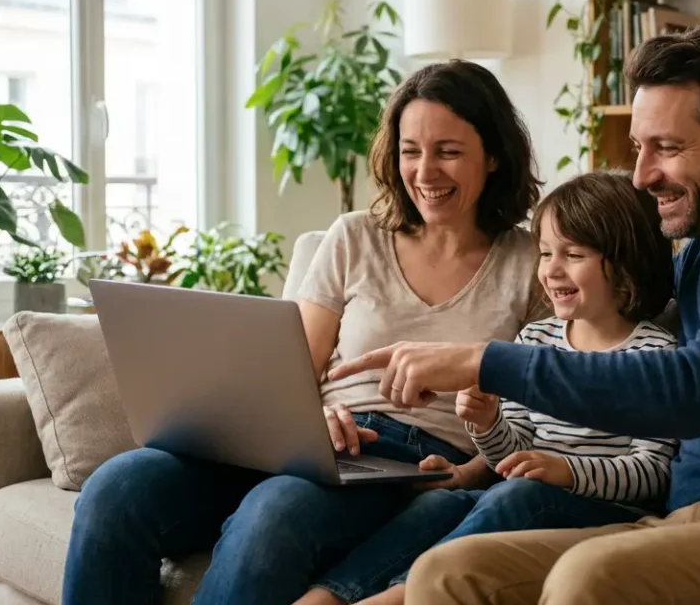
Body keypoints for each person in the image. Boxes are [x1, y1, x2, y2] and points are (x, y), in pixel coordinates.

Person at [327, 23, 700, 605]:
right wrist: (475, 454)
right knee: (448, 572)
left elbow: (690, 388)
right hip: (685, 527)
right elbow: (605, 316)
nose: (642, 176)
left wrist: (482, 361)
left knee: (590, 579)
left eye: (667, 148)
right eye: (640, 147)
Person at [61, 59, 547, 605]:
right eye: (411, 151)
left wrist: (472, 473)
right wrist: (309, 419)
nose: (425, 172)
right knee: (115, 489)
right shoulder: (353, 236)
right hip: (309, 441)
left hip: (415, 460)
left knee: (274, 512)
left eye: (449, 151)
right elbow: (292, 369)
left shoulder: (532, 263)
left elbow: (540, 411)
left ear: (496, 155)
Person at [325, 171, 679, 605]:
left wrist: (567, 472)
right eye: (546, 253)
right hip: (529, 492)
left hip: (610, 512)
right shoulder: (536, 340)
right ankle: (333, 595)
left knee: (520, 494)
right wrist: (487, 422)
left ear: (626, 262)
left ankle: (401, 596)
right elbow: (509, 456)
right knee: (439, 506)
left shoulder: (655, 353)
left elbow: (654, 473)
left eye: (573, 254)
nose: (551, 270)